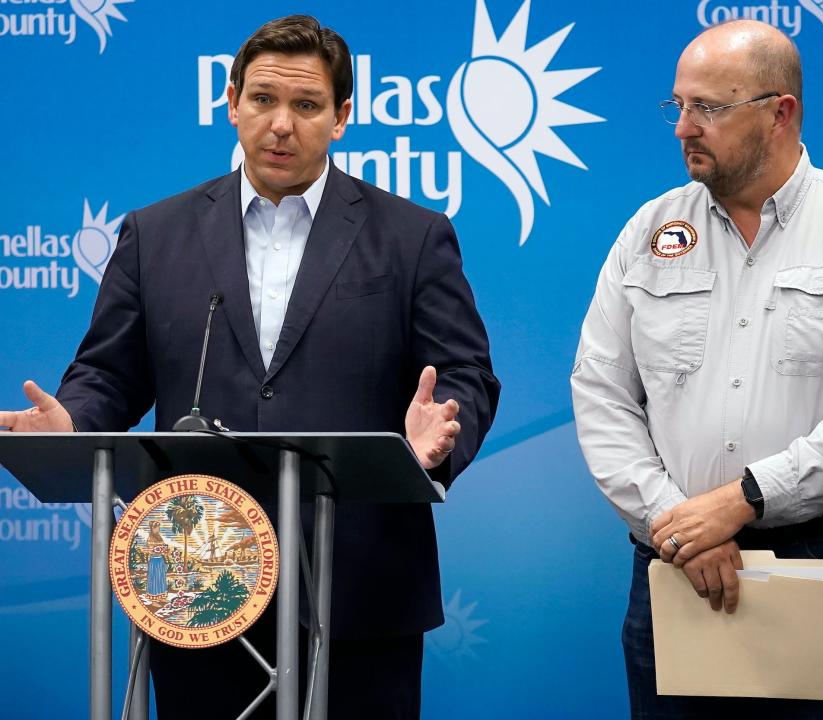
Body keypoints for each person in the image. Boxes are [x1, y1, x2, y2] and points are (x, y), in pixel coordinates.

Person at [0, 15, 499, 720]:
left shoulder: (412, 237)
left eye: (306, 106)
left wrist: (439, 433)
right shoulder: (155, 233)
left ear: (343, 116)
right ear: (231, 101)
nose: (280, 124)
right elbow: (111, 374)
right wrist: (75, 419)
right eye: (262, 100)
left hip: (359, 583)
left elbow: (463, 373)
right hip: (198, 576)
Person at [571, 19, 823, 719]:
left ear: (781, 113)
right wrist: (675, 524)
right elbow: (600, 392)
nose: (683, 127)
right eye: (676, 105)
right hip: (672, 561)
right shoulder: (647, 234)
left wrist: (742, 500)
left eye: (709, 107)